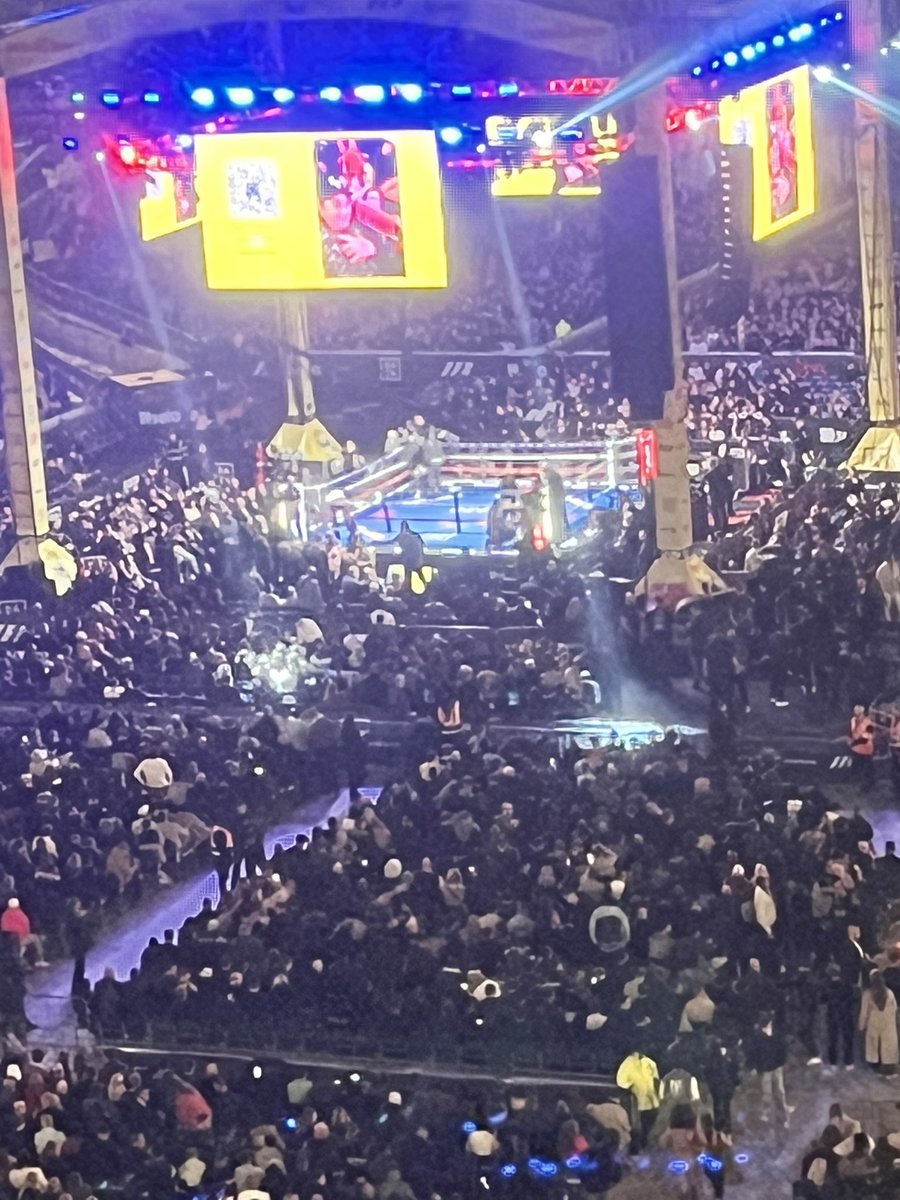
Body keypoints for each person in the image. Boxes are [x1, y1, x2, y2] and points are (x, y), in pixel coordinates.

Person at [859, 970, 898, 1072]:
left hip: (873, 1023)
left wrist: (861, 1026)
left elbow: (864, 1013)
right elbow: (894, 1009)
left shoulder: (868, 994)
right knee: (888, 1045)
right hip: (888, 1023)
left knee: (873, 1045)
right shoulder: (889, 993)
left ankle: (875, 1065)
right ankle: (888, 1068)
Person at [848, 704, 875, 788]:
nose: (856, 715)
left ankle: (868, 784)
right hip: (856, 747)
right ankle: (854, 780)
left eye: (858, 713)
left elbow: (868, 737)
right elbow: (853, 733)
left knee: (867, 767)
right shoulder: (853, 720)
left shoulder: (868, 723)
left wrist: (857, 738)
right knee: (856, 765)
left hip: (866, 748)